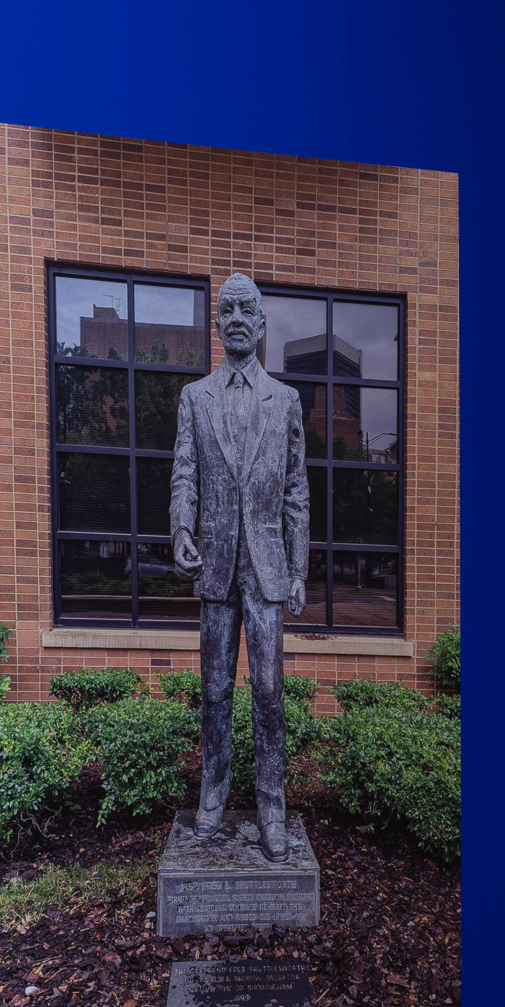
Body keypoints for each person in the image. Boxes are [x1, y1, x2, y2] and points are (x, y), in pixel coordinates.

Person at [171, 272, 310, 862]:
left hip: (268, 569)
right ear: (218, 322)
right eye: (225, 309)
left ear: (261, 322)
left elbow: (297, 489)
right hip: (217, 566)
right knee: (214, 691)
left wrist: (299, 567)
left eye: (245, 309)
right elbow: (185, 473)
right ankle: (212, 801)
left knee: (271, 691)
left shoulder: (287, 401)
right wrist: (180, 527)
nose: (234, 318)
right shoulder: (194, 397)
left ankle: (272, 809)